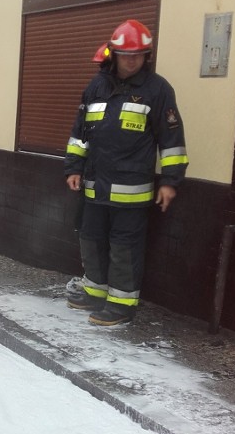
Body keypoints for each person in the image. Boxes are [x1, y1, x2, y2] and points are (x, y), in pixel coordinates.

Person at [64, 19, 189, 326]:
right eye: (125, 54)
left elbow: (171, 140)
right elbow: (80, 133)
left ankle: (121, 305)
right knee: (91, 240)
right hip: (94, 187)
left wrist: (171, 182)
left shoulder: (157, 90)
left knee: (124, 248)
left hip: (131, 191)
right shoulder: (96, 87)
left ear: (147, 55)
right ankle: (95, 292)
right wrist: (73, 167)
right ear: (114, 54)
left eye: (139, 54)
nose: (132, 60)